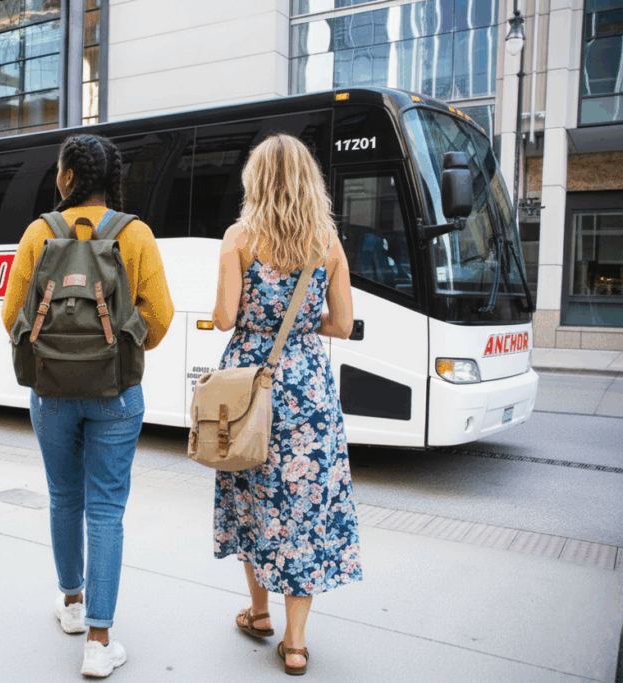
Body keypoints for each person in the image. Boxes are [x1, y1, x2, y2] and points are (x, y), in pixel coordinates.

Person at [1, 133, 174, 678]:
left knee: (63, 499)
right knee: (105, 509)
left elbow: (12, 317)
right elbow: (160, 318)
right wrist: (114, 347)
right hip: (117, 393)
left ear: (67, 178)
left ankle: (72, 605)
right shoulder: (135, 234)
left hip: (51, 392)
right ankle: (99, 642)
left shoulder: (38, 233)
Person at [210, 133, 362, 676]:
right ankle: (296, 644)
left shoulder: (239, 237)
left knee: (251, 495)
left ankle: (258, 612)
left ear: (258, 181)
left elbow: (225, 317)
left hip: (253, 386)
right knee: (302, 512)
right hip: (309, 390)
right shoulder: (328, 242)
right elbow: (342, 324)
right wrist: (299, 326)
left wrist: (256, 315)